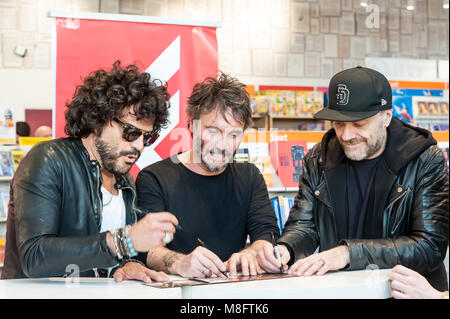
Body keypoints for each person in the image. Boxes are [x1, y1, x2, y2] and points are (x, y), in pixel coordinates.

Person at [258, 66, 449, 291]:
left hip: (405, 293)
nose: (346, 136)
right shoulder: (319, 159)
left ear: (386, 117)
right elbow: (304, 226)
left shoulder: (424, 159)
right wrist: (286, 249)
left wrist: (348, 253)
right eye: (339, 124)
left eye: (359, 124)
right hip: (344, 292)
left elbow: (429, 247)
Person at [2, 61, 179, 283]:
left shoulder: (124, 181)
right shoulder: (48, 159)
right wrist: (124, 241)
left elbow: (103, 256)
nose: (140, 145)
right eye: (131, 132)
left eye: (148, 137)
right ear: (98, 120)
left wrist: (127, 266)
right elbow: (35, 257)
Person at [135, 72, 280, 278]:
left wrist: (252, 253)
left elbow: (267, 233)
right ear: (191, 126)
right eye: (213, 131)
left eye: (234, 135)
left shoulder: (250, 177)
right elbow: (146, 249)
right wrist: (181, 263)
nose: (223, 146)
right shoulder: (154, 178)